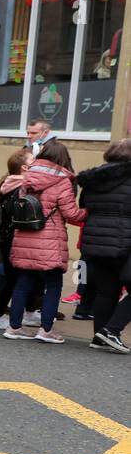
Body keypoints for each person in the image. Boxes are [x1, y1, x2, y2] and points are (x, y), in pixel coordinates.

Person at [3, 143, 86, 344]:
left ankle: (14, 327)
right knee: (54, 284)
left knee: (23, 283)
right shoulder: (62, 181)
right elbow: (70, 213)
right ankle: (46, 330)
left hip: (24, 237)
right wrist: (90, 213)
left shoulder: (27, 178)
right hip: (49, 240)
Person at [74, 138, 131, 353]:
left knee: (106, 290)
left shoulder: (94, 178)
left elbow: (83, 205)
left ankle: (100, 335)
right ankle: (112, 331)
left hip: (94, 239)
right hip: (123, 240)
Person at [0, 149, 41, 328]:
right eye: (34, 160)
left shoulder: (9, 184)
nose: (37, 162)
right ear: (25, 167)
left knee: (19, 277)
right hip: (14, 239)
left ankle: (28, 312)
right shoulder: (20, 188)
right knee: (12, 279)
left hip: (8, 238)